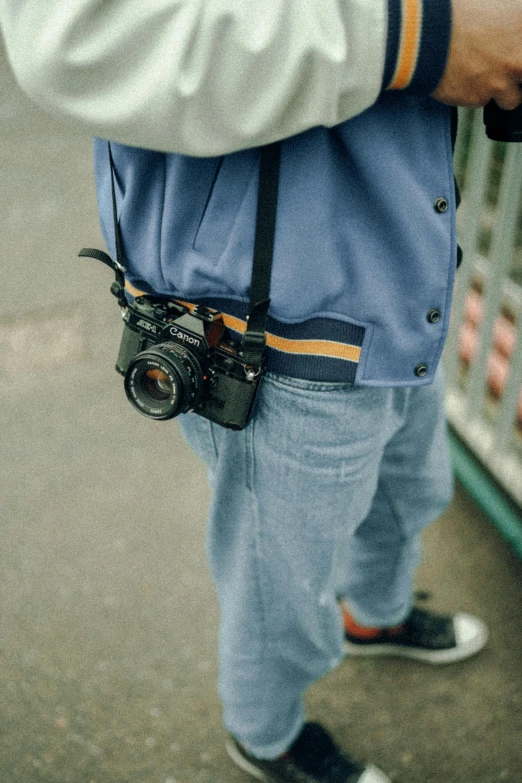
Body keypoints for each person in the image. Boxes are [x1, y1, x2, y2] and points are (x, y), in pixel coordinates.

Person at [2, 1, 522, 781]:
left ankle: (373, 618)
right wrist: (421, 37)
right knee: (279, 581)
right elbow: (77, 39)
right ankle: (264, 729)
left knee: (409, 489)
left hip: (402, 276)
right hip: (269, 324)